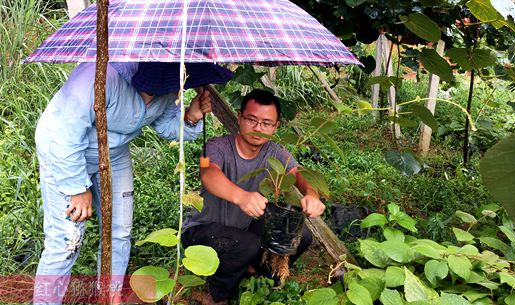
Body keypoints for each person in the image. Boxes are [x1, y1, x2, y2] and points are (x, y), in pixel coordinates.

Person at [33, 61, 232, 304]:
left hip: (113, 154)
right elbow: (64, 136)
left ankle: (110, 295)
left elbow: (165, 124)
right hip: (63, 152)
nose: (175, 91)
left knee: (120, 230)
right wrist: (77, 189)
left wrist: (191, 117)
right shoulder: (97, 78)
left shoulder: (168, 83)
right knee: (66, 241)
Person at [182, 89, 326, 305]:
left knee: (301, 235)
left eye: (267, 123)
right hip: (201, 231)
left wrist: (312, 194)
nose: (258, 128)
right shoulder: (217, 146)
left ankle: (251, 269)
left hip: (243, 231)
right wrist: (241, 197)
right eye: (251, 119)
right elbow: (209, 174)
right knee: (247, 243)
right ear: (240, 118)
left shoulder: (276, 152)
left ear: (276, 127)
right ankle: (216, 295)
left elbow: (300, 174)